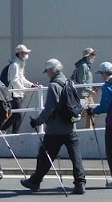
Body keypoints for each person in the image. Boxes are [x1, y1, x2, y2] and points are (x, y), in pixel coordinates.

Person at [20, 59, 87, 194]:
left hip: (55, 130)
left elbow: (49, 109)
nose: (47, 75)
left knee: (44, 156)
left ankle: (35, 182)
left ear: (51, 71)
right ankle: (80, 183)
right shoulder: (69, 83)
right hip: (70, 126)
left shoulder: (54, 86)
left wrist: (37, 121)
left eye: (47, 72)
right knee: (76, 157)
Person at [0, 44, 33, 134]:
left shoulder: (19, 64)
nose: (26, 54)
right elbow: (14, 81)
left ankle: (13, 132)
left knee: (17, 114)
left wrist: (31, 85)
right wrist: (24, 90)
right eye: (25, 53)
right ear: (20, 53)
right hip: (13, 94)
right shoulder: (15, 65)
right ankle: (4, 129)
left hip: (17, 93)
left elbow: (22, 79)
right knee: (17, 113)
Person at [72, 47, 97, 128]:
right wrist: (90, 90)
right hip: (84, 95)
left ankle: (89, 129)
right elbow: (81, 81)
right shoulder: (83, 66)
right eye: (92, 54)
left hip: (87, 94)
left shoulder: (85, 65)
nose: (94, 56)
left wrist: (90, 90)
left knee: (90, 112)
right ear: (87, 56)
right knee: (84, 113)